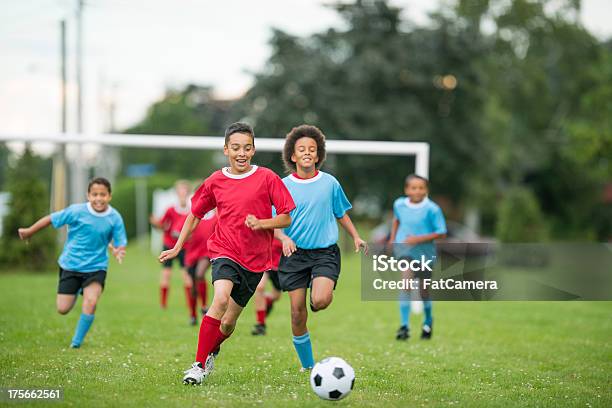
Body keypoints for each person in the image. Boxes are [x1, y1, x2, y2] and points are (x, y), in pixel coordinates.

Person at [158, 122, 295, 385]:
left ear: (253, 150)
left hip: (255, 262)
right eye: (235, 148)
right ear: (225, 150)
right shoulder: (215, 181)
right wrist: (177, 247)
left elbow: (286, 217)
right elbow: (194, 215)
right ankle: (198, 365)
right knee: (219, 301)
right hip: (224, 251)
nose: (241, 153)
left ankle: (210, 351)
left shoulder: (267, 178)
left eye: (246, 148)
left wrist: (263, 223)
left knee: (228, 324)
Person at [275, 124, 367, 371]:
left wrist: (356, 237)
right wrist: (283, 238)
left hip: (324, 252)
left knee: (321, 300)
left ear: (318, 155)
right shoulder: (282, 186)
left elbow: (341, 214)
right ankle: (307, 366)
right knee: (296, 312)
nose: (307, 153)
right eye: (301, 149)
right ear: (293, 156)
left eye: (312, 149)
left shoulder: (330, 183)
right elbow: (273, 223)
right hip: (293, 255)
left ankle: (317, 297)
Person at [18, 177, 127, 348]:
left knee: (91, 301)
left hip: (96, 267)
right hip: (71, 265)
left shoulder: (115, 217)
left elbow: (120, 241)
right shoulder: (76, 211)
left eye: (103, 194)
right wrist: (29, 231)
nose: (99, 198)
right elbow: (50, 219)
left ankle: (76, 343)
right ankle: (76, 289)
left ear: (109, 196)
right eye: (95, 194)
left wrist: (119, 251)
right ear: (88, 195)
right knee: (63, 309)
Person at [389, 174, 447, 341]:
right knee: (406, 283)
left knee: (423, 291)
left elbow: (441, 233)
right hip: (404, 251)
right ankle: (404, 326)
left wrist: (417, 239)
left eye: (421, 188)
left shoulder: (432, 209)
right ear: (407, 189)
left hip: (425, 255)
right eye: (413, 188)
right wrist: (393, 239)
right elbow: (396, 220)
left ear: (426, 190)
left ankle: (428, 320)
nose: (417, 191)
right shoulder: (399, 204)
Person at [149, 180, 192, 313]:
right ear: (176, 193)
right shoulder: (170, 210)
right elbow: (162, 225)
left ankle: (191, 304)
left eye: (184, 191)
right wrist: (156, 223)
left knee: (186, 276)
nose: (182, 194)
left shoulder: (192, 211)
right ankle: (163, 304)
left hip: (184, 247)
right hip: (168, 246)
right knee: (166, 274)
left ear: (188, 193)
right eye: (179, 191)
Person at [184, 208, 218, 324]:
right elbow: (181, 229)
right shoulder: (194, 214)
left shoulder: (216, 216)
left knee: (200, 274)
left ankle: (204, 306)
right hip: (192, 252)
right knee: (192, 286)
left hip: (207, 252)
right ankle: (192, 315)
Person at [251, 238, 283, 336]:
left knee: (276, 296)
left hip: (281, 266)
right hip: (266, 261)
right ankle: (261, 324)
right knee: (260, 287)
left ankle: (266, 302)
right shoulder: (267, 223)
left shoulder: (287, 226)